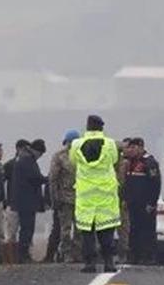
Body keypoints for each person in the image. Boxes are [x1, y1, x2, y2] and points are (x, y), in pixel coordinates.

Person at [70, 115, 120, 273]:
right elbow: (114, 159)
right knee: (106, 232)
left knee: (87, 234)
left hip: (85, 196)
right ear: (101, 128)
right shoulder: (110, 144)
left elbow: (73, 161)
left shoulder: (76, 144)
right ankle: (108, 262)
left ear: (87, 127)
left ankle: (89, 263)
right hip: (106, 195)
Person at [123, 138, 162, 265]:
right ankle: (134, 255)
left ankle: (149, 256)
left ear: (140, 147)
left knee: (147, 229)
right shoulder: (130, 163)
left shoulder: (149, 162)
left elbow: (155, 184)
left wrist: (152, 203)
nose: (131, 150)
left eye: (133, 148)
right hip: (133, 203)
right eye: (130, 148)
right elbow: (127, 183)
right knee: (134, 229)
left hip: (145, 203)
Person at [12, 139, 47, 264]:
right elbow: (34, 177)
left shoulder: (24, 159)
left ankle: (23, 254)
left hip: (24, 200)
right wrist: (46, 179)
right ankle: (23, 255)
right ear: (36, 151)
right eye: (41, 154)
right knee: (27, 229)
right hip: (26, 201)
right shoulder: (27, 161)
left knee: (27, 228)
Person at [47, 130, 80, 263]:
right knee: (65, 229)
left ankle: (78, 253)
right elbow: (53, 179)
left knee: (80, 229)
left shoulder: (82, 155)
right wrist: (54, 199)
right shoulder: (59, 157)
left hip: (81, 198)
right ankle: (66, 254)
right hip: (65, 198)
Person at [2, 139, 30, 263]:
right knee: (11, 233)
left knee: (26, 231)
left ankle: (24, 256)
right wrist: (4, 200)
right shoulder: (9, 165)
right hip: (12, 203)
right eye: (25, 149)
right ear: (18, 149)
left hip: (25, 204)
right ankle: (10, 259)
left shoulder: (30, 163)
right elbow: (1, 183)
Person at [116, 138, 132, 262]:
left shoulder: (127, 164)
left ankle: (123, 254)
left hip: (122, 198)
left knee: (123, 228)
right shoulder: (111, 163)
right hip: (110, 198)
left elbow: (127, 183)